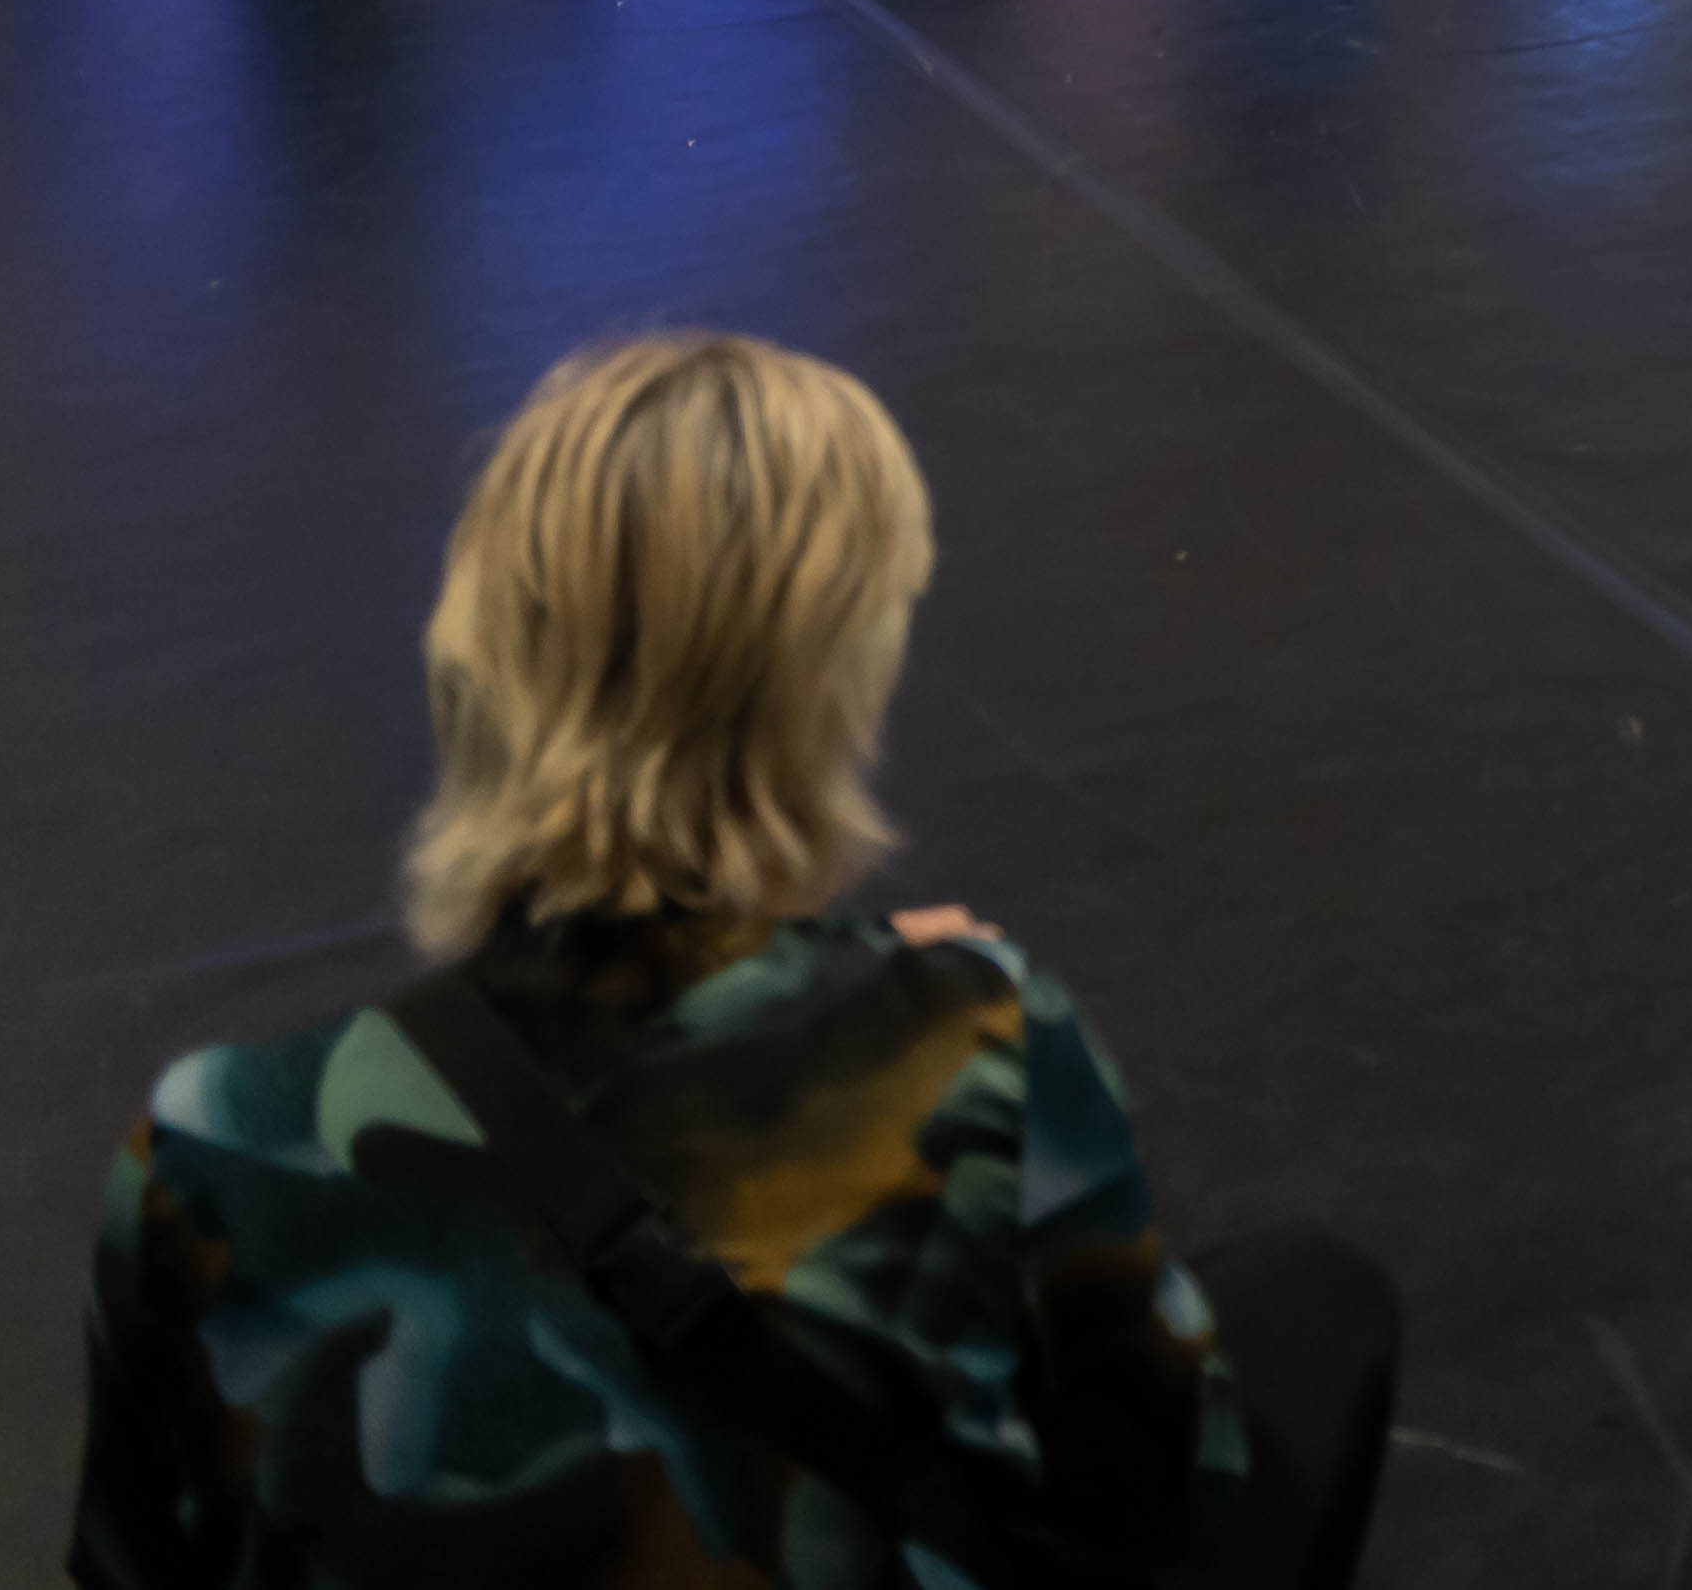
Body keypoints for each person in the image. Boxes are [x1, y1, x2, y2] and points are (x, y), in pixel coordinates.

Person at [77, 331, 1396, 1590]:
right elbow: (1168, 1498)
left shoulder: (204, 1146)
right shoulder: (984, 1049)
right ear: (825, 686)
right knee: (1312, 1307)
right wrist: (934, 1001)